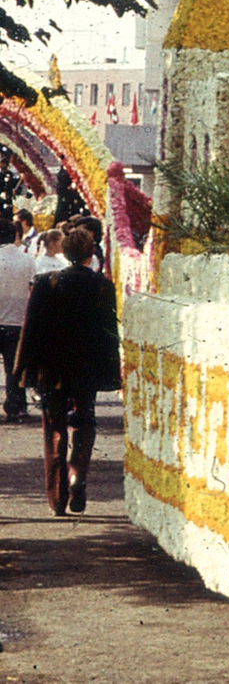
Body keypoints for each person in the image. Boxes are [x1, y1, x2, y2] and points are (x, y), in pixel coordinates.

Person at [13, 227, 121, 515]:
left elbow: (31, 329)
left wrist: (23, 370)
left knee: (54, 427)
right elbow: (110, 332)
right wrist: (111, 373)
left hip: (52, 368)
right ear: (90, 254)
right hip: (86, 367)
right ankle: (78, 475)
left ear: (65, 252)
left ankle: (58, 496)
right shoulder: (102, 285)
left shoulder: (46, 282)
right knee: (85, 421)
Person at [0, 215, 34, 422]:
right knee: (14, 367)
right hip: (17, 320)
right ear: (14, 236)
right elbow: (32, 288)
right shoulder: (27, 259)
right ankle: (16, 405)